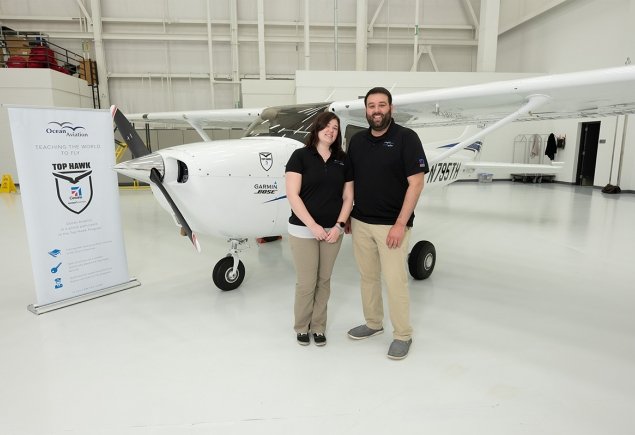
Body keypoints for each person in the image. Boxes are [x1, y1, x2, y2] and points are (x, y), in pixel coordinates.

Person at [346, 87, 429, 360]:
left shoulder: (406, 138)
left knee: (395, 281)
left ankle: (403, 334)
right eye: (371, 106)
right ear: (366, 110)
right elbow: (351, 183)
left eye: (382, 105)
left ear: (390, 108)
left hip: (392, 225)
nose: (376, 110)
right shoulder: (357, 141)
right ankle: (373, 323)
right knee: (368, 277)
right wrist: (346, 216)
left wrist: (400, 224)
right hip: (360, 222)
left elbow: (416, 183)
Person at [285, 111, 353, 347]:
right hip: (303, 230)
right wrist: (312, 225)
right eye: (327, 126)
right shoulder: (300, 156)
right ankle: (302, 326)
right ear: (317, 128)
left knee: (324, 280)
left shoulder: (343, 160)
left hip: (333, 230)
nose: (331, 131)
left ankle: (319, 326)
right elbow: (293, 195)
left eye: (335, 128)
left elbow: (348, 197)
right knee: (306, 281)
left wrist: (339, 225)